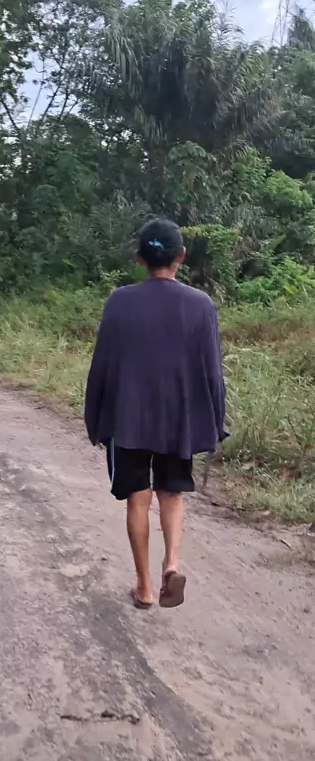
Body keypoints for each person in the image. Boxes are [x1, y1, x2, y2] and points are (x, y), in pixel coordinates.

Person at [85, 218, 228, 609]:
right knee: (172, 492)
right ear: (181, 256)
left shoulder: (120, 301)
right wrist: (216, 421)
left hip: (128, 417)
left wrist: (95, 418)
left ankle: (145, 588)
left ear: (139, 259)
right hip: (178, 420)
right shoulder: (200, 305)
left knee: (138, 499)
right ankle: (172, 565)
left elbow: (103, 365)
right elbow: (212, 372)